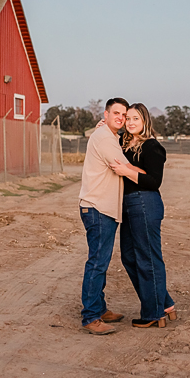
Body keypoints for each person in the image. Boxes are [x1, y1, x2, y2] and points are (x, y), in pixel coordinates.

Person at [110, 103, 175, 328]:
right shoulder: (124, 143)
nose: (130, 122)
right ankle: (164, 302)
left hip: (145, 203)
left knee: (148, 258)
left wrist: (127, 171)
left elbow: (154, 181)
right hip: (127, 204)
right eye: (128, 118)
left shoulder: (151, 146)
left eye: (135, 118)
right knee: (128, 257)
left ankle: (153, 313)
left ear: (145, 120)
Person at [79, 98, 134, 335]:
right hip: (98, 208)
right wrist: (152, 172)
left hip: (102, 208)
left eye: (124, 114)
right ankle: (91, 317)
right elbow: (126, 167)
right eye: (117, 113)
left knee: (101, 261)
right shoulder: (104, 138)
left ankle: (99, 309)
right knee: (98, 263)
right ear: (106, 114)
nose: (121, 118)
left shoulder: (108, 136)